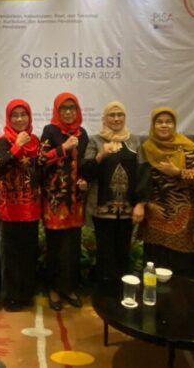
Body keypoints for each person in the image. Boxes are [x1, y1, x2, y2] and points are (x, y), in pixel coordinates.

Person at [82, 101, 149, 292]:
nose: (116, 118)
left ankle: (121, 294)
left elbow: (143, 172)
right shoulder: (96, 141)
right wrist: (101, 154)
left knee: (123, 252)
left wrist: (140, 204)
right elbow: (86, 172)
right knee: (104, 254)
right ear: (104, 118)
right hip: (101, 209)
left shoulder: (135, 141)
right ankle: (104, 296)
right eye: (112, 115)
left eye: (120, 114)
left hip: (128, 210)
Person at [137, 107, 194, 278]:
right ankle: (154, 294)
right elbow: (141, 179)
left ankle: (181, 294)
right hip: (154, 213)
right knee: (154, 263)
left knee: (182, 263)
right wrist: (148, 204)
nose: (164, 125)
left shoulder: (187, 147)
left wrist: (178, 172)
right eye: (159, 122)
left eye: (168, 122)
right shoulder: (147, 148)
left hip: (182, 214)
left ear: (174, 125)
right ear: (153, 125)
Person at [40, 92, 89, 311]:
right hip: (55, 199)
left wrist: (85, 180)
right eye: (64, 108)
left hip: (75, 200)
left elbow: (84, 163)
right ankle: (53, 289)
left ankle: (69, 288)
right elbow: (41, 160)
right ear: (57, 111)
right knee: (55, 246)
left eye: (72, 108)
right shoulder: (50, 131)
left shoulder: (83, 134)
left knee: (72, 246)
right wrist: (63, 148)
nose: (68, 112)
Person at [0, 99, 41, 311]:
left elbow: (40, 169)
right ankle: (12, 296)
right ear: (9, 118)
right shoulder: (4, 141)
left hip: (31, 207)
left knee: (28, 253)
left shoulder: (36, 141)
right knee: (11, 255)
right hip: (11, 208)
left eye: (23, 114)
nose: (20, 119)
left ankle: (26, 294)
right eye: (15, 115)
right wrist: (17, 146)